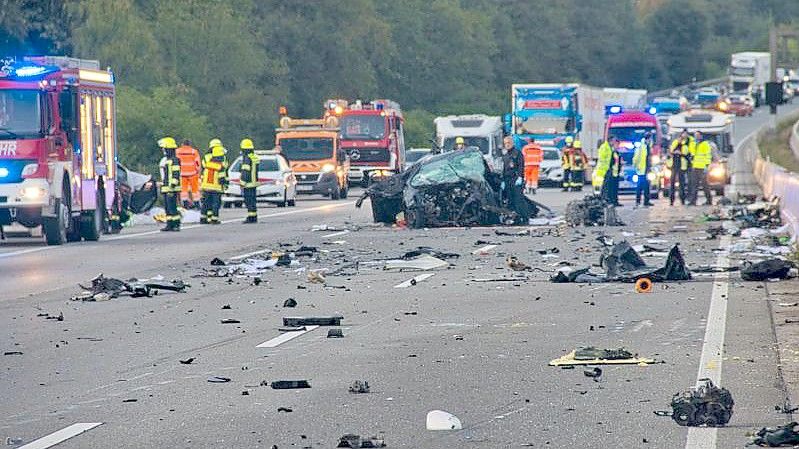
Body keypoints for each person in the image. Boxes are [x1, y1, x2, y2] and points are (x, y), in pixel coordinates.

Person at [500, 136, 529, 223]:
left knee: (518, 200)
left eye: (508, 143)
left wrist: (520, 177)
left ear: (512, 143)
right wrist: (503, 180)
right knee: (510, 200)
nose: (507, 145)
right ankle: (515, 218)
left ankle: (524, 218)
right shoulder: (505, 155)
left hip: (516, 179)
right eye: (505, 143)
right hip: (507, 180)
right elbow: (504, 169)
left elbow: (521, 166)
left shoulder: (517, 153)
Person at [200, 138, 228, 224]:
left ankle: (204, 218)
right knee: (215, 203)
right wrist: (225, 184)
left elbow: (204, 167)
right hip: (216, 185)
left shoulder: (206, 158)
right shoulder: (222, 159)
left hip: (206, 184)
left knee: (206, 203)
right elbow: (223, 172)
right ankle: (214, 219)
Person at [157, 137, 181, 232]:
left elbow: (176, 173)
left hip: (171, 188)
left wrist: (173, 185)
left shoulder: (174, 160)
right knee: (167, 208)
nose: (163, 150)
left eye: (164, 148)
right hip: (167, 188)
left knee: (172, 207)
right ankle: (169, 224)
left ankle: (176, 224)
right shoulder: (168, 160)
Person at [667, 131, 692, 206]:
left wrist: (680, 153)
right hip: (674, 166)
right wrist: (675, 152)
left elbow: (686, 154)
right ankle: (671, 200)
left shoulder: (686, 145)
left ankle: (682, 199)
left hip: (682, 167)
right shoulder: (675, 143)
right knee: (672, 184)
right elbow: (670, 152)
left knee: (682, 184)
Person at [688, 131, 713, 206]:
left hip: (702, 167)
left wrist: (707, 165)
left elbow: (708, 155)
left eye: (698, 135)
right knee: (694, 185)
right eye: (695, 135)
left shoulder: (705, 144)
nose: (696, 137)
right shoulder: (694, 144)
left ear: (701, 136)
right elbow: (692, 153)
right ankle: (693, 201)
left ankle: (709, 200)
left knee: (705, 185)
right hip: (695, 166)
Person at [239, 138, 260, 224]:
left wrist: (242, 183)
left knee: (248, 201)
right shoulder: (254, 157)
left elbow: (245, 171)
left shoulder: (247, 158)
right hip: (254, 183)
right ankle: (253, 216)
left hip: (248, 184)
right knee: (253, 201)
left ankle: (251, 217)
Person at [176, 139, 201, 209]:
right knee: (195, 190)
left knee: (184, 190)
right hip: (192, 173)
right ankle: (197, 204)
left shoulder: (177, 151)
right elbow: (197, 163)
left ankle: (185, 204)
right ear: (189, 144)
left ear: (182, 144)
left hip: (182, 173)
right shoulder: (194, 151)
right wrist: (198, 172)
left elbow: (175, 161)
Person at [632, 132, 654, 207]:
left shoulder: (648, 146)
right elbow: (636, 158)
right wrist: (636, 166)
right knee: (640, 186)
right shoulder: (641, 147)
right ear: (647, 139)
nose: (651, 140)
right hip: (641, 170)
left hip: (647, 169)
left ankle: (646, 201)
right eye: (650, 138)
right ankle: (638, 201)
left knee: (647, 186)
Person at [601, 138, 622, 206]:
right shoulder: (611, 152)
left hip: (616, 173)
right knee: (610, 188)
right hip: (611, 172)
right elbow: (610, 162)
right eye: (617, 144)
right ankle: (611, 201)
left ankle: (615, 201)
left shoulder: (617, 152)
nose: (618, 146)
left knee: (615, 188)